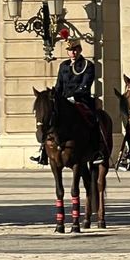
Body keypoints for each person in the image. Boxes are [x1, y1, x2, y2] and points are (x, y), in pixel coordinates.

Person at [31, 37, 107, 166]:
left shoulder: (87, 65)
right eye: (70, 50)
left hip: (81, 99)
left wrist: (74, 96)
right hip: (64, 100)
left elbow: (86, 84)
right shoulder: (64, 65)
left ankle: (97, 151)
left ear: (80, 50)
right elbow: (59, 84)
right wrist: (56, 96)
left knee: (93, 120)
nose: (73, 52)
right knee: (50, 119)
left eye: (75, 49)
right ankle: (43, 152)